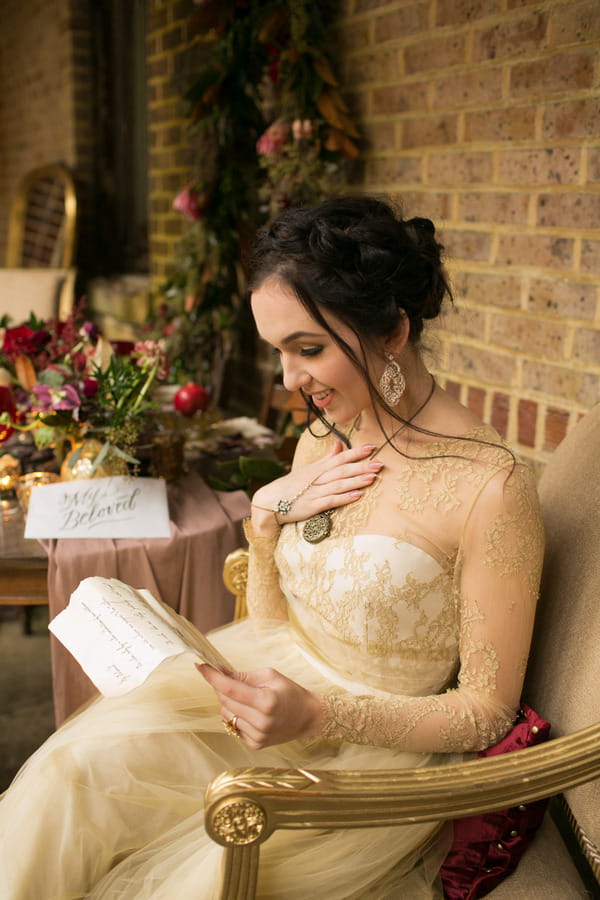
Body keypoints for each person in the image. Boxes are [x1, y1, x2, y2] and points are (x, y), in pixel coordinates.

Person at [0, 196, 544, 899]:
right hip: (264, 697)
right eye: (279, 354)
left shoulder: (491, 488)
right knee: (71, 775)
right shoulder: (324, 435)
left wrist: (320, 714)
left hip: (366, 757)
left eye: (309, 350)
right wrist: (264, 518)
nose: (290, 382)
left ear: (394, 332)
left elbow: (485, 713)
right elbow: (270, 625)